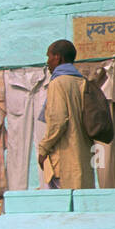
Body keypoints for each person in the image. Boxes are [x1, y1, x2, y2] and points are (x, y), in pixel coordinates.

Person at [37, 39, 94, 190]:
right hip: (83, 158)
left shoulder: (58, 83)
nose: (48, 62)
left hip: (64, 161)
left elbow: (58, 121)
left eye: (48, 57)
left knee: (64, 208)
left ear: (57, 57)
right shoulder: (81, 82)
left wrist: (43, 149)